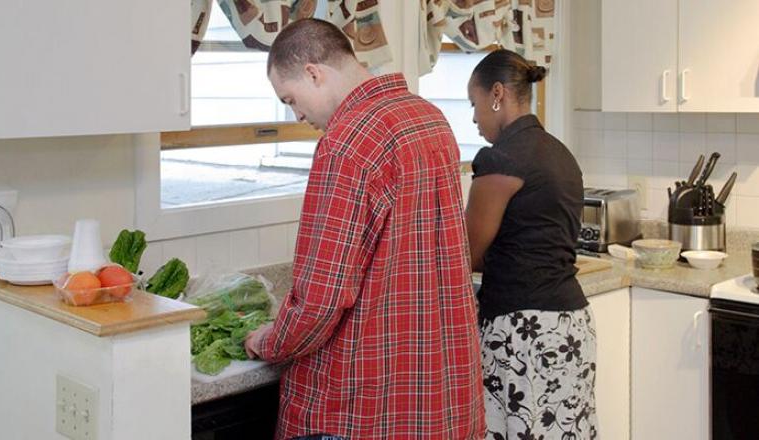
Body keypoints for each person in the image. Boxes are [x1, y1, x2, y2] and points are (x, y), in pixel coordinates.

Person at [245, 18, 485, 440]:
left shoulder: (347, 142)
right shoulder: (427, 117)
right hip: (437, 391)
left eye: (292, 98)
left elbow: (321, 297)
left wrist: (270, 340)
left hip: (364, 404)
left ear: (314, 73)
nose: (297, 114)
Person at [465, 49, 598, 440]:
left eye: (475, 104)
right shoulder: (560, 153)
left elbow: (464, 254)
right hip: (570, 327)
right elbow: (525, 244)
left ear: (497, 94)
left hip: (523, 332)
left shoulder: (501, 160)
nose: (474, 118)